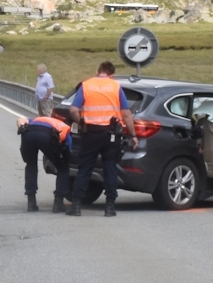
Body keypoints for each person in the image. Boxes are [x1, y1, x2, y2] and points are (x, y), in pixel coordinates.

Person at [65, 60, 135, 217]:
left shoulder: (86, 85)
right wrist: (133, 135)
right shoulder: (116, 86)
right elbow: (126, 114)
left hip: (91, 133)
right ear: (112, 75)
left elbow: (74, 110)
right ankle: (109, 207)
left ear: (98, 71)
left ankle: (76, 206)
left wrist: (82, 123)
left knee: (85, 169)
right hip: (111, 134)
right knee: (110, 168)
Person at [16, 104, 73, 212]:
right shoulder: (65, 127)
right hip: (46, 136)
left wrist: (21, 128)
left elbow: (20, 119)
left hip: (28, 134)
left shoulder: (38, 119)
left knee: (31, 166)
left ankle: (31, 202)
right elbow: (67, 151)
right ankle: (58, 203)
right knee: (63, 168)